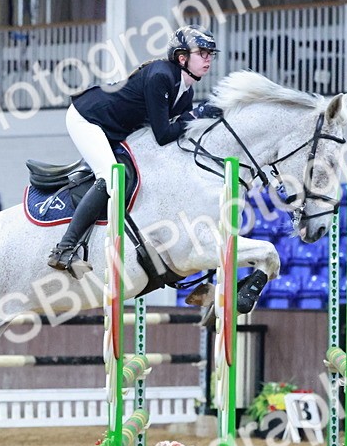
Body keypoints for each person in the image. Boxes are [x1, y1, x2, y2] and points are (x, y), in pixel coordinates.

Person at [47, 24, 219, 276]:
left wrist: (203, 119)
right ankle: (64, 248)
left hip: (116, 129)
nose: (208, 60)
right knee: (111, 178)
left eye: (210, 54)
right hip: (89, 118)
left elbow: (180, 137)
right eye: (202, 53)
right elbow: (163, 136)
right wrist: (197, 114)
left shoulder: (186, 92)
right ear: (182, 57)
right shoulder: (161, 76)